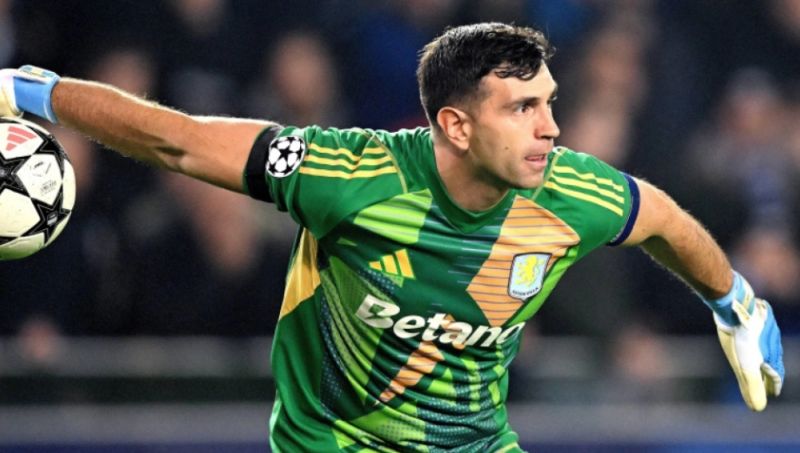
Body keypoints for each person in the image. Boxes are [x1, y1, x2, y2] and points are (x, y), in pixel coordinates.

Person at [0, 22, 784, 452]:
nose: (551, 128)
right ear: (456, 125)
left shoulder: (573, 191)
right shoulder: (347, 174)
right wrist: (29, 89)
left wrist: (734, 302)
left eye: (548, 103)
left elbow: (664, 219)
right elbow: (177, 140)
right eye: (523, 109)